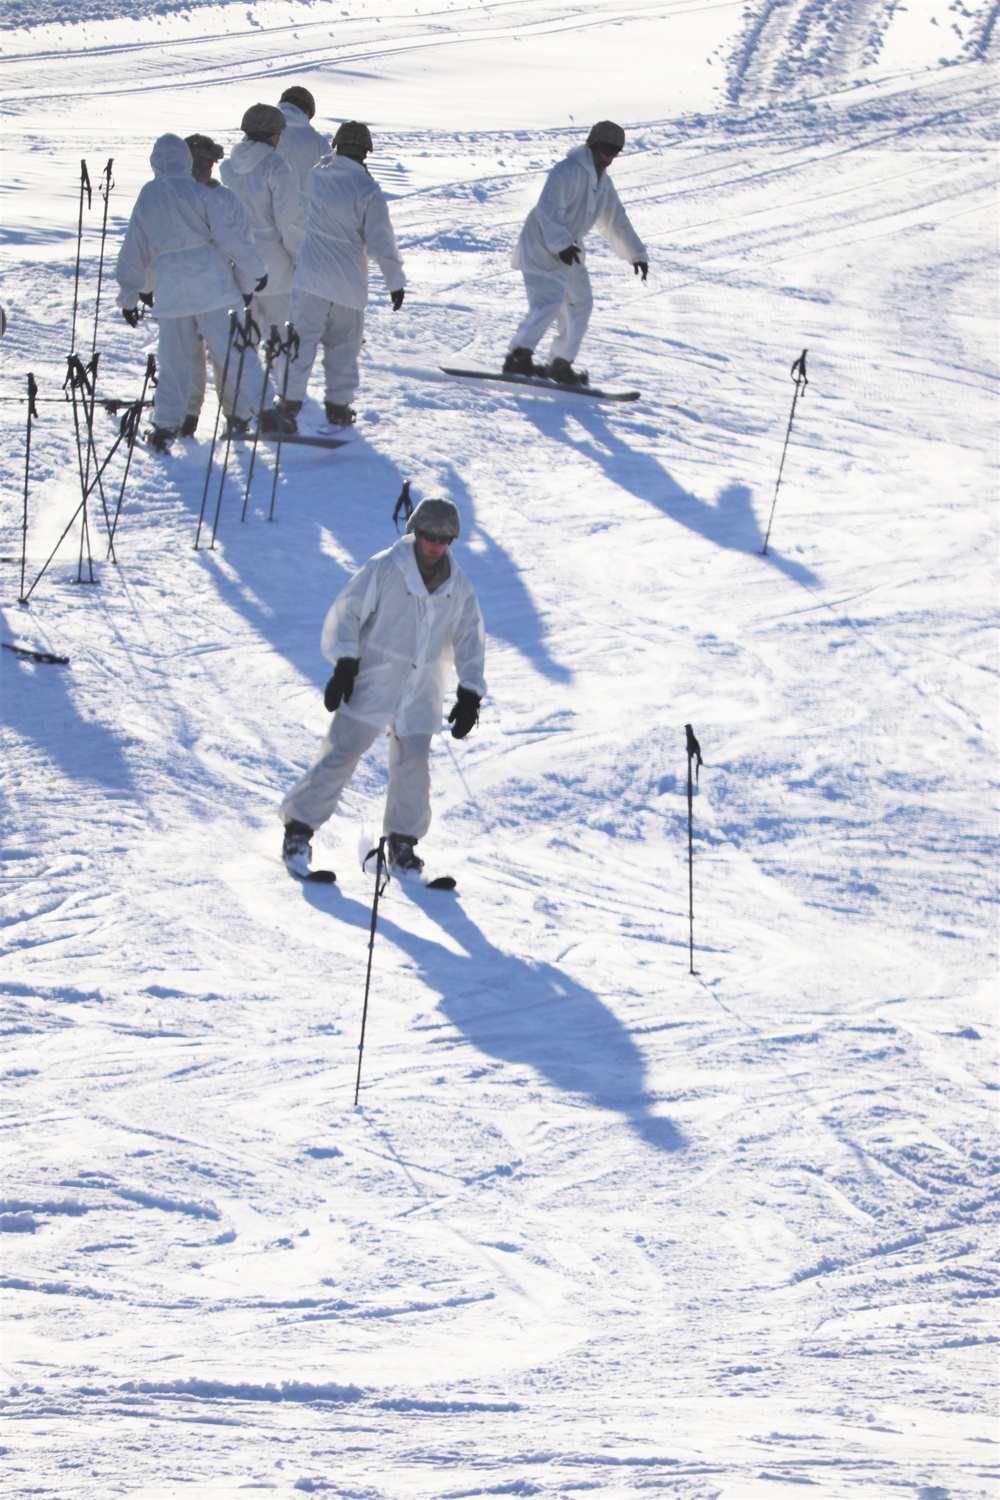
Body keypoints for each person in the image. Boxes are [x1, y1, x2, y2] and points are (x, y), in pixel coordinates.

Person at [279, 498, 486, 881]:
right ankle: (298, 832)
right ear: (416, 532)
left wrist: (470, 691)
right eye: (429, 536)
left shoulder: (458, 586)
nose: (435, 546)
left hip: (422, 688)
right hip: (373, 679)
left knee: (414, 768)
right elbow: (347, 613)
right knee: (341, 754)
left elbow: (470, 637)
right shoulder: (385, 568)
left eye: (444, 539)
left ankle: (402, 845)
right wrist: (344, 662)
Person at [116, 134, 267, 452]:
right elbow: (230, 236)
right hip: (213, 286)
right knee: (236, 352)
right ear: (186, 160)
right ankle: (266, 411)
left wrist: (132, 295)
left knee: (174, 362)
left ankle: (166, 426)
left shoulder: (148, 196)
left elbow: (135, 250)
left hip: (172, 292)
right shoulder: (201, 194)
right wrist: (255, 271)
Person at [268, 120, 405, 432]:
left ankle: (288, 403)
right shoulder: (369, 190)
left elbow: (321, 167)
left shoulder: (319, 176)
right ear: (366, 152)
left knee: (300, 343)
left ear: (337, 146)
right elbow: (381, 241)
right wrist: (395, 283)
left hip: (311, 278)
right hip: (348, 284)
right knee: (344, 348)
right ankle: (338, 408)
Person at [504, 120, 649, 387]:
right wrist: (560, 243)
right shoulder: (566, 171)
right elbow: (548, 209)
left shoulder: (603, 183)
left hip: (570, 249)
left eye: (616, 151)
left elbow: (616, 220)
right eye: (606, 148)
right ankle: (517, 356)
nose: (610, 156)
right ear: (593, 144)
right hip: (542, 244)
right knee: (548, 302)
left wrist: (636, 253)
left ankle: (561, 362)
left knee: (581, 302)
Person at [180, 134, 255, 438]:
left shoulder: (171, 198)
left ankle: (185, 415)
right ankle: (235, 415)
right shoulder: (226, 199)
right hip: (221, 290)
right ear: (212, 164)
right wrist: (246, 286)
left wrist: (147, 286)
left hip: (180, 289)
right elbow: (244, 247)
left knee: (184, 353)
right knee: (227, 353)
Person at [220, 103, 305, 333]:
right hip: (276, 273)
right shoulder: (276, 166)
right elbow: (289, 221)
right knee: (283, 352)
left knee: (242, 354)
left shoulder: (227, 168)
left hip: (238, 271)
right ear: (273, 134)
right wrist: (301, 258)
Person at [276, 86, 329, 210]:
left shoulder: (259, 132)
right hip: (301, 220)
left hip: (258, 219)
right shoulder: (318, 142)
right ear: (307, 111)